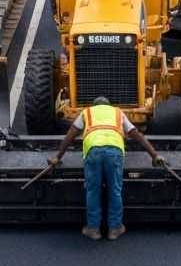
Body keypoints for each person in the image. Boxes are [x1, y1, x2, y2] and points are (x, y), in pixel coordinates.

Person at [51, 96, 164, 240]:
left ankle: (93, 230)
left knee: (93, 191)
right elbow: (136, 134)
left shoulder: (87, 112)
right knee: (114, 191)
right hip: (114, 152)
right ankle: (114, 229)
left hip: (93, 152)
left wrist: (58, 157)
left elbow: (70, 135)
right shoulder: (117, 113)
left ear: (94, 105)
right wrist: (155, 155)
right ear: (108, 106)